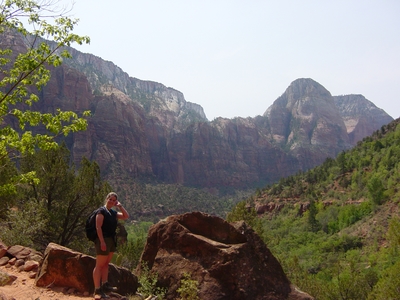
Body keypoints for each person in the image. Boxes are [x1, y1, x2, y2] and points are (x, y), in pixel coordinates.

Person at [93, 192, 129, 299]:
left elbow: (126, 216)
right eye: (110, 199)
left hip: (112, 240)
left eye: (114, 200)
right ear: (106, 199)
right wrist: (102, 241)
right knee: (99, 265)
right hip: (103, 240)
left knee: (106, 264)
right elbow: (98, 227)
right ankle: (97, 290)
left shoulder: (113, 212)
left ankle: (105, 285)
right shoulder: (101, 211)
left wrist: (120, 206)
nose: (112, 202)